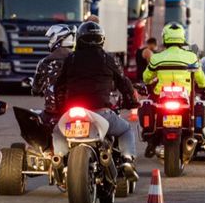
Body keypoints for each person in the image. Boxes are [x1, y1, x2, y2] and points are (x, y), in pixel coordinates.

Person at [54, 21, 140, 181]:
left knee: (57, 131)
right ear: (101, 39)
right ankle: (128, 160)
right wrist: (132, 102)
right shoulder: (109, 59)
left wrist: (60, 108)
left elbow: (59, 86)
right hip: (100, 112)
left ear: (79, 39)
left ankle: (59, 160)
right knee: (126, 130)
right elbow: (124, 83)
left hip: (73, 112)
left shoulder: (70, 59)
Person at [143, 22, 205, 175]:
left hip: (163, 100)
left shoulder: (157, 58)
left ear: (165, 38)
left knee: (148, 106)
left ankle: (151, 141)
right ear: (182, 38)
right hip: (185, 100)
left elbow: (146, 77)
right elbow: (201, 80)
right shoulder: (191, 57)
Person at [32, 24, 75, 122]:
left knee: (34, 121)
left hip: (52, 113)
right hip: (78, 110)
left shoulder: (45, 62)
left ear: (58, 38)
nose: (50, 41)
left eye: (51, 38)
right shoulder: (79, 60)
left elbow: (36, 89)